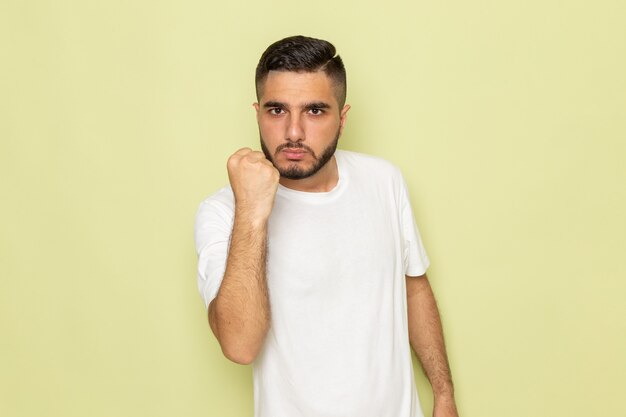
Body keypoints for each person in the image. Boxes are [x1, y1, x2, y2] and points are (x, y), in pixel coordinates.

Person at [194, 35, 459, 417]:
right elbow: (239, 346)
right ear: (257, 114)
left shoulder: (384, 180)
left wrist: (444, 394)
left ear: (343, 117)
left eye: (315, 111)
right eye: (276, 111)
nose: (294, 133)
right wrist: (252, 211)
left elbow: (413, 287)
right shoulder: (222, 212)